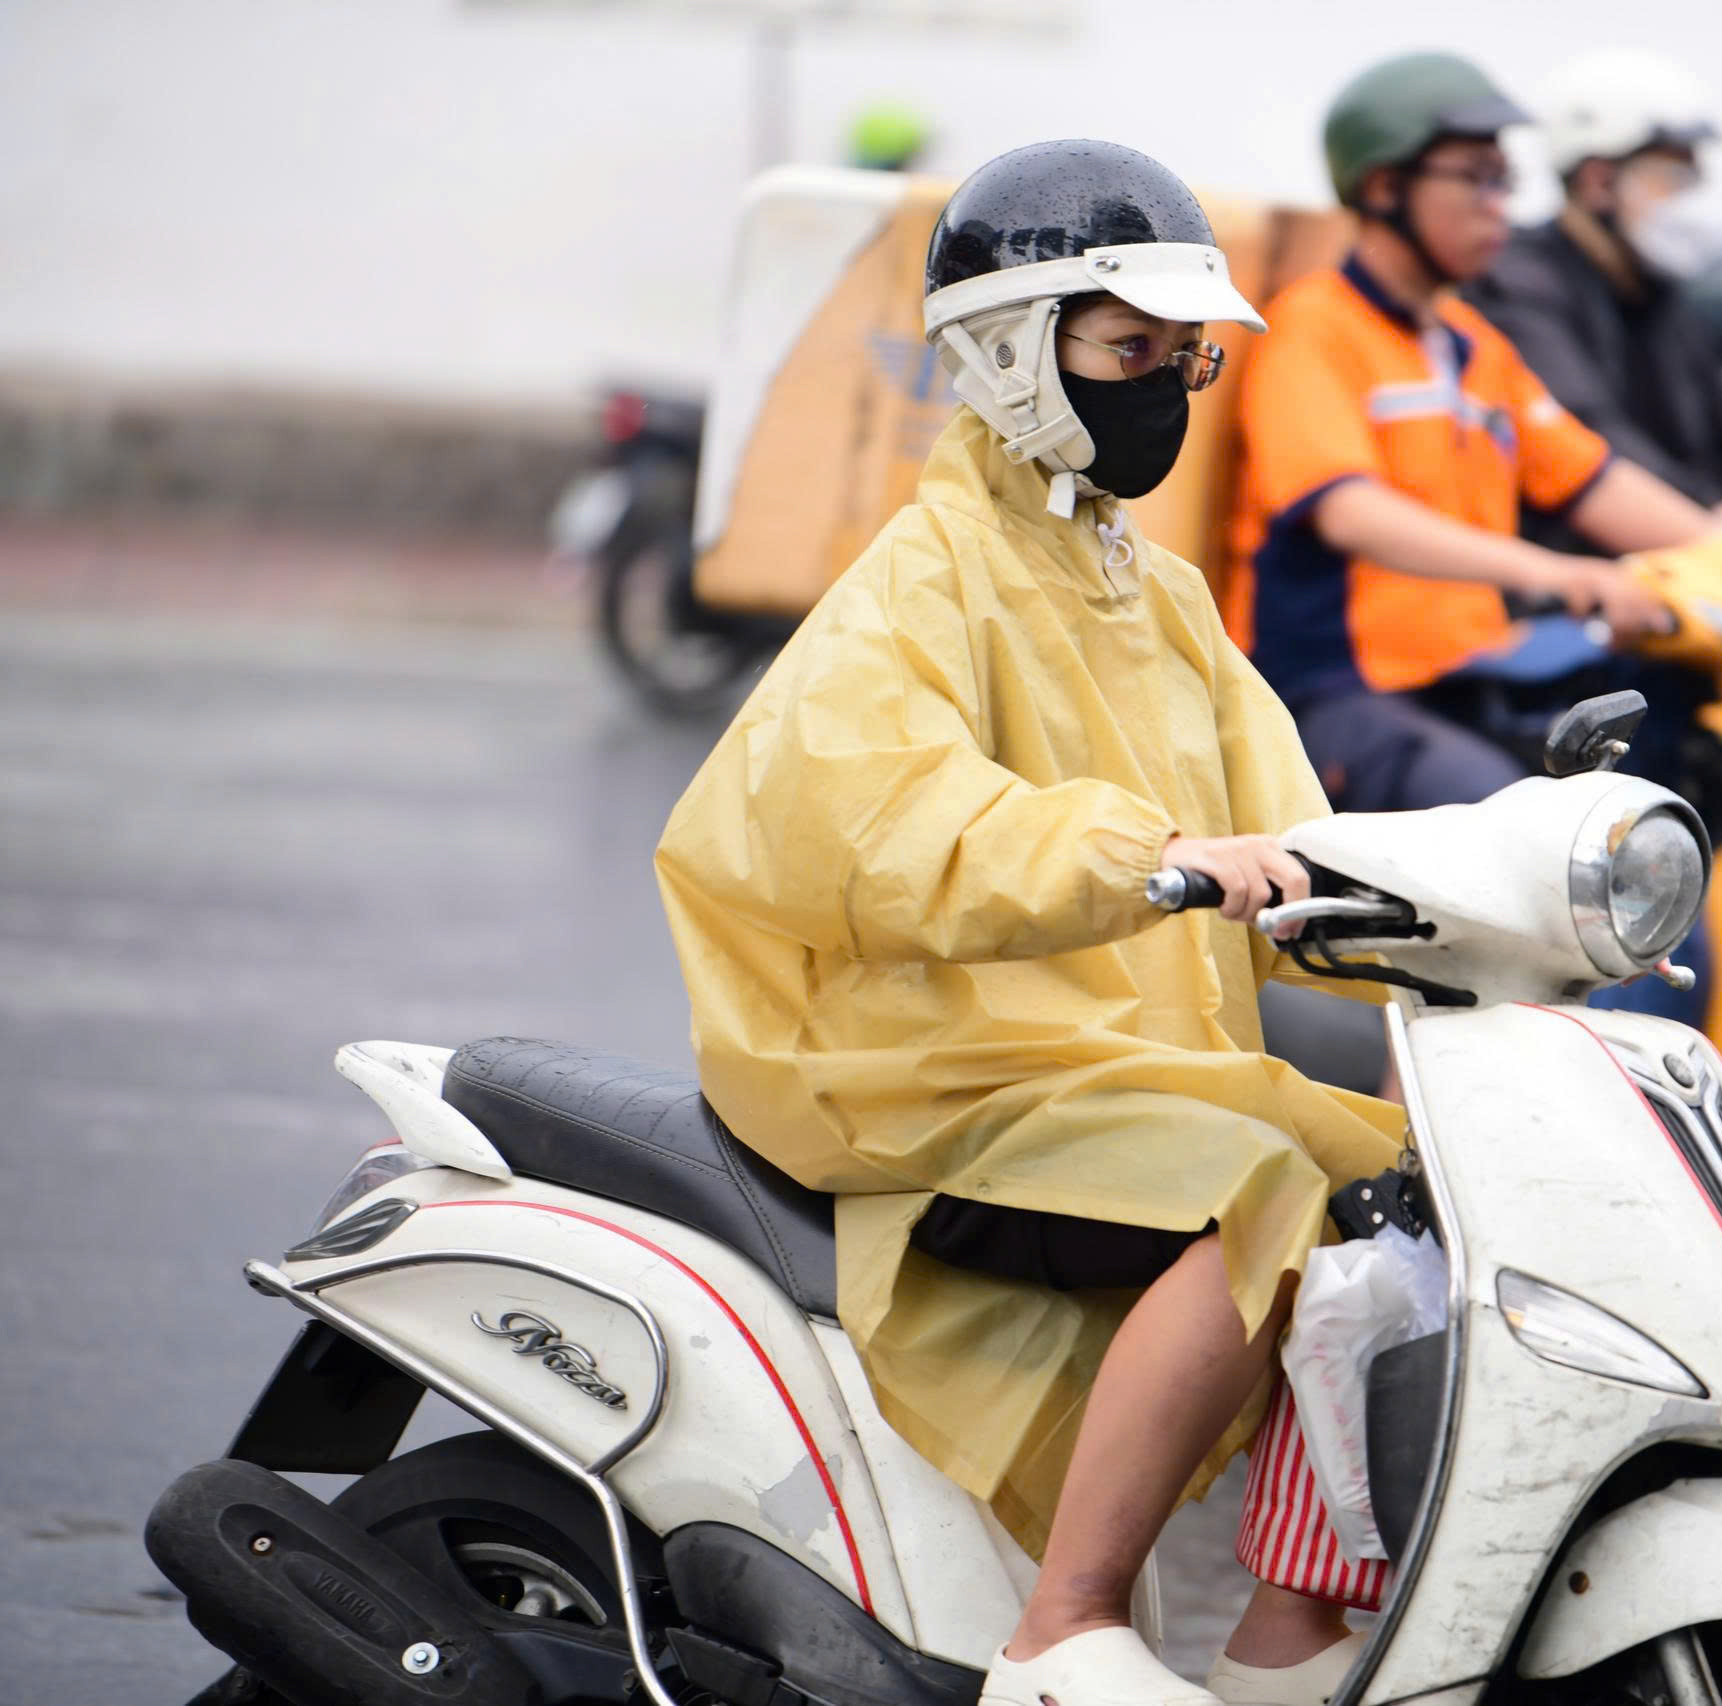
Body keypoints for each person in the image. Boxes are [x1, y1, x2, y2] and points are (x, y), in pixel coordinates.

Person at [656, 140, 1407, 1706]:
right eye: (1129, 351)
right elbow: (882, 821)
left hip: (1096, 1056)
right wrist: (1152, 853)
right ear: (1010, 347)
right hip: (928, 1064)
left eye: (1181, 358)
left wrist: (1445, 892)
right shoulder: (916, 582)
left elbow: (1294, 813)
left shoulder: (1157, 588)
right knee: (1261, 1179)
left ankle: (1289, 1619)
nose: (1165, 388)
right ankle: (1063, 1624)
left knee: (1403, 1185)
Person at [1229, 51, 1722, 1017]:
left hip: (1464, 683)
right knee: (1515, 883)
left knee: (1635, 840)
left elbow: (1593, 478)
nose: (1502, 203)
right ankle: (1410, 1151)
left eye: (1510, 179)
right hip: (1337, 698)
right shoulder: (1315, 329)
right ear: (1386, 186)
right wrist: (1567, 576)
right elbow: (1349, 510)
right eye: (1478, 177)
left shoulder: (1471, 348)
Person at [1464, 48, 1722, 547]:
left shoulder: (1653, 290)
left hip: (1679, 561)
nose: (1692, 198)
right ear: (1599, 181)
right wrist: (1711, 517)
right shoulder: (1520, 287)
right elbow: (1589, 438)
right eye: (1673, 178)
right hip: (1586, 583)